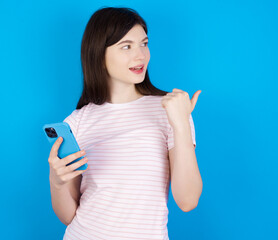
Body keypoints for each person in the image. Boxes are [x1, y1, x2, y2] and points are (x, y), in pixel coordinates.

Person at [47, 6, 203, 240]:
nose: (141, 55)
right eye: (126, 46)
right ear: (99, 56)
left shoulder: (169, 110)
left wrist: (180, 124)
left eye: (144, 43)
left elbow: (188, 200)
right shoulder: (78, 121)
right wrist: (56, 182)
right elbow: (69, 216)